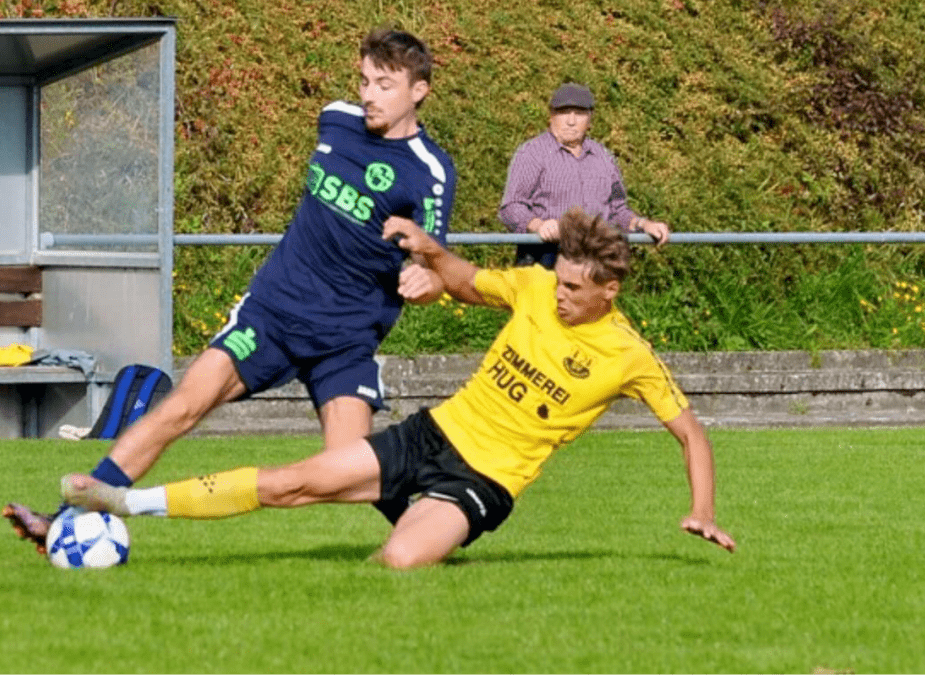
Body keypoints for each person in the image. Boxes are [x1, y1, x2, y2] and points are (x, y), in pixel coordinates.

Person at [59, 207, 736, 570]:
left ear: (609, 291)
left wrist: (701, 508)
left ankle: (419, 519)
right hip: (431, 434)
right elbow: (468, 280)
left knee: (401, 559)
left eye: (574, 289)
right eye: (557, 280)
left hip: (484, 481)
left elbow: (691, 432)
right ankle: (124, 500)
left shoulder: (628, 355)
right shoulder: (534, 287)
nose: (558, 294)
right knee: (294, 481)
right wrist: (428, 249)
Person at [4, 27, 456, 554]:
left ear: (418, 91)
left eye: (384, 84)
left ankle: (440, 525)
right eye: (364, 81)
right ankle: (64, 520)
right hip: (272, 314)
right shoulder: (336, 120)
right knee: (181, 406)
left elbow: (436, 264)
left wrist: (427, 282)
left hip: (345, 337)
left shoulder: (430, 172)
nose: (369, 94)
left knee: (347, 468)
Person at [500, 82, 671, 269]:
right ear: (551, 116)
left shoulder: (604, 157)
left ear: (590, 120)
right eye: (564, 112)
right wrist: (538, 225)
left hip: (596, 261)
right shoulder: (532, 153)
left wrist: (643, 224)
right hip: (545, 259)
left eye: (579, 114)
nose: (571, 121)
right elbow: (511, 207)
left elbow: (617, 209)